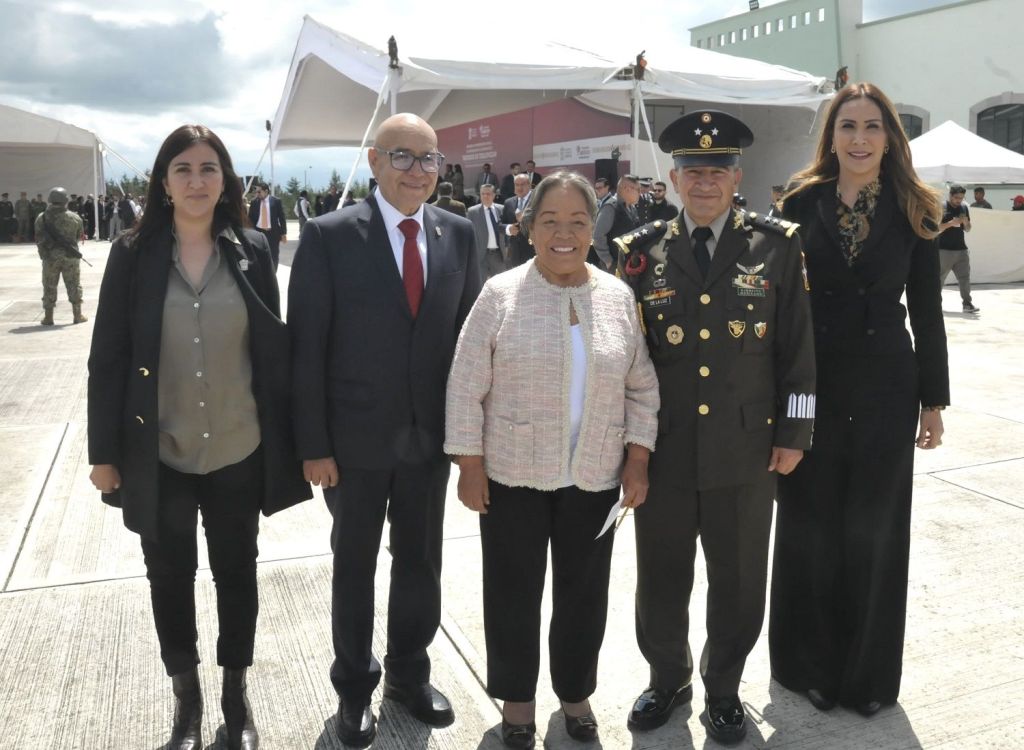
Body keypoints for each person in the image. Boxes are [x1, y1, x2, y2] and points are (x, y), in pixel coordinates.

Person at [87, 124, 311, 750]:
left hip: (239, 446)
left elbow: (272, 350)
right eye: (182, 168)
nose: (195, 180)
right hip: (160, 452)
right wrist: (103, 455)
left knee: (237, 572)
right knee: (169, 576)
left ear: (225, 180)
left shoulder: (252, 249)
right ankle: (186, 700)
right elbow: (107, 357)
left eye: (208, 168)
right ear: (163, 182)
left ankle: (235, 696)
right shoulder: (133, 254)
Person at [616, 109, 816, 745]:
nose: (705, 182)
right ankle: (668, 677)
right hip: (665, 450)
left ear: (737, 178)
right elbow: (624, 357)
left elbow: (799, 351)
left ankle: (724, 688)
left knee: (736, 580)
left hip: (747, 449)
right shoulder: (638, 253)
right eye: (693, 171)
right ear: (673, 180)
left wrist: (795, 433)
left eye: (718, 171)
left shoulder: (776, 245)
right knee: (662, 577)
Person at [446, 171, 659, 750]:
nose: (563, 234)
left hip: (595, 477)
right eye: (550, 222)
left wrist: (637, 460)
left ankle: (575, 695)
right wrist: (469, 463)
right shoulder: (501, 294)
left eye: (578, 222)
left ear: (595, 229)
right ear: (528, 227)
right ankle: (517, 702)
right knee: (512, 591)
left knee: (583, 595)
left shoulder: (617, 296)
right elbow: (466, 384)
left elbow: (641, 387)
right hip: (512, 476)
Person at [288, 113, 482, 749]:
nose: (418, 171)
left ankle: (407, 675)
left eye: (430, 159)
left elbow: (470, 345)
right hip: (353, 445)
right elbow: (306, 350)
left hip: (429, 442)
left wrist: (469, 438)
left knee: (422, 563)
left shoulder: (457, 234)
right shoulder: (328, 235)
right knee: (355, 566)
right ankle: (353, 688)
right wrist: (313, 445)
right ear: (374, 161)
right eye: (403, 157)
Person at [769, 82, 949, 717]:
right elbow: (782, 309)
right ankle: (806, 666)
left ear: (890, 136)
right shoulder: (800, 201)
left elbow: (926, 311)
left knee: (875, 531)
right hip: (811, 387)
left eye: (873, 126)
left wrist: (934, 400)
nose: (860, 138)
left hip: (884, 387)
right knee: (809, 525)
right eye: (848, 126)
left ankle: (870, 675)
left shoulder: (916, 205)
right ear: (832, 135)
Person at [34, 187, 87, 325]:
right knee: (74, 284)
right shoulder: (75, 217)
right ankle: (77, 315)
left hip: (50, 258)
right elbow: (78, 236)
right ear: (65, 200)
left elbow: (38, 238)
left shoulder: (41, 217)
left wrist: (44, 254)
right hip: (70, 257)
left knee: (49, 285)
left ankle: (48, 317)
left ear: (50, 200)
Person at [937, 184, 979, 313]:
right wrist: (950, 224)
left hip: (961, 250)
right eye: (956, 197)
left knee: (965, 278)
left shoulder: (964, 207)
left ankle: (967, 304)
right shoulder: (941, 207)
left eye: (961, 198)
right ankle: (934, 305)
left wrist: (966, 223)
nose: (958, 200)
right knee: (939, 279)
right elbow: (936, 228)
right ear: (950, 195)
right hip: (944, 250)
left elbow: (968, 229)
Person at [467, 183, 507, 278]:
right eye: (482, 194)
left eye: (488, 194)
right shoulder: (472, 212)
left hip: (498, 255)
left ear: (494, 195)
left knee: (501, 284)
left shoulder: (502, 209)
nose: (485, 196)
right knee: (482, 287)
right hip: (481, 256)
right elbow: (469, 235)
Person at [247, 183, 287, 269]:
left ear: (266, 191)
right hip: (258, 232)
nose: (257, 194)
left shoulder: (276, 201)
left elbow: (281, 218)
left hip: (272, 233)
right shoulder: (254, 202)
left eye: (259, 192)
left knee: (274, 255)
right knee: (258, 255)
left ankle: (273, 274)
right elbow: (250, 219)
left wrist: (283, 233)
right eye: (256, 192)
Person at [501, 173, 534, 267]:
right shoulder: (509, 202)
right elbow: (500, 224)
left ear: (529, 185)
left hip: (534, 250)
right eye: (517, 184)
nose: (519, 187)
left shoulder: (538, 200)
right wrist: (508, 229)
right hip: (515, 253)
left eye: (522, 184)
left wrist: (525, 219)